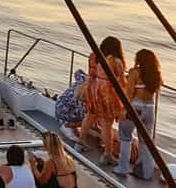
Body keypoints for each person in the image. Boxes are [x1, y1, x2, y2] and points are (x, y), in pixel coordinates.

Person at [114, 48, 162, 179]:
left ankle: (122, 168)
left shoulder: (134, 73)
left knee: (125, 136)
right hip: (150, 109)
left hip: (136, 107)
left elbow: (129, 94)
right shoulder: (156, 75)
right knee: (145, 142)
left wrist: (123, 110)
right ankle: (147, 173)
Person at [77, 36, 126, 165]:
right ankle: (107, 154)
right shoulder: (116, 62)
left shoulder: (94, 56)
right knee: (107, 123)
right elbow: (121, 81)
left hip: (94, 88)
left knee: (90, 116)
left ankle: (80, 141)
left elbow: (91, 74)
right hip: (107, 93)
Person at [55, 69, 87, 141]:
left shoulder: (83, 81)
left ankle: (72, 125)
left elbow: (78, 71)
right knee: (90, 119)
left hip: (61, 107)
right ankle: (67, 125)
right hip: (65, 113)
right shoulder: (83, 93)